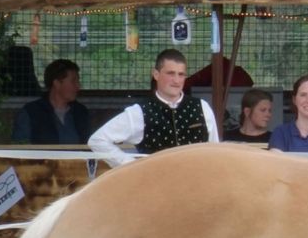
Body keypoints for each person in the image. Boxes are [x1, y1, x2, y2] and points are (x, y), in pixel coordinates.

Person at [88, 48, 218, 167]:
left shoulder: (202, 107)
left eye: (181, 74)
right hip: (156, 188)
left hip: (197, 186)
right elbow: (98, 140)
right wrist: (131, 166)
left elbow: (215, 150)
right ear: (156, 74)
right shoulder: (139, 112)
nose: (176, 80)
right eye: (170, 74)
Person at [10, 59, 91, 145]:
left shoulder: (81, 112)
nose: (78, 86)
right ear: (57, 83)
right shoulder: (31, 113)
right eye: (73, 81)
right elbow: (20, 147)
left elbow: (88, 146)